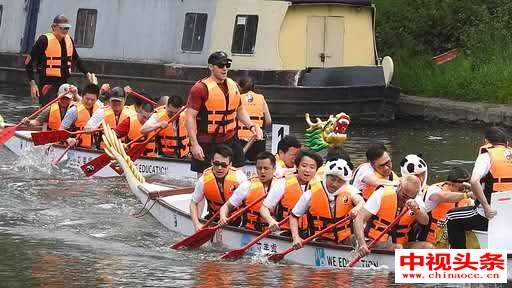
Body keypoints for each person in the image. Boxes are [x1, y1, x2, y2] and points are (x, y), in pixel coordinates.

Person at [185, 51, 263, 175]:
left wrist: (252, 126)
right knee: (205, 180)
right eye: (220, 66)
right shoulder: (200, 88)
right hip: (207, 141)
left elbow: (240, 110)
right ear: (211, 67)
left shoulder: (233, 85)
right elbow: (190, 117)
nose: (225, 69)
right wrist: (194, 144)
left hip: (230, 138)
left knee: (239, 176)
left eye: (227, 65)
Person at [447, 127, 512, 248]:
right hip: (509, 216)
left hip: (489, 216)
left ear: (487, 142)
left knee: (451, 216)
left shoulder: (486, 156)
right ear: (506, 143)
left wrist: (486, 207)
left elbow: (474, 180)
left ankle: (459, 258)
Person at [289, 158, 364, 248]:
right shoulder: (310, 194)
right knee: (329, 243)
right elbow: (294, 216)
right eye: (332, 179)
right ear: (326, 176)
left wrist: (357, 208)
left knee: (359, 240)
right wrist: (296, 237)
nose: (334, 184)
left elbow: (361, 202)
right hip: (320, 239)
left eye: (339, 181)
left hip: (345, 238)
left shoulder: (349, 190)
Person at [354, 175, 433, 258]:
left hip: (401, 244)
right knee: (398, 248)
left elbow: (425, 221)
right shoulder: (382, 194)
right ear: (399, 186)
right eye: (404, 196)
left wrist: (416, 210)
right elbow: (359, 218)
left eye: (410, 198)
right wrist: (362, 244)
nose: (406, 200)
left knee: (428, 247)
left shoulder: (416, 201)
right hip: (373, 242)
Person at [24, 14, 93, 106]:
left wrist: (87, 73)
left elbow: (76, 59)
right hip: (47, 82)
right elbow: (28, 63)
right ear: (54, 27)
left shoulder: (69, 40)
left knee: (65, 105)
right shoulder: (43, 40)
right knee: (49, 107)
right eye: (62, 28)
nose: (65, 31)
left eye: (67, 28)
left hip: (63, 82)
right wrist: (33, 84)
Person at [260, 150, 323, 236]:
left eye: (312, 167)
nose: (307, 170)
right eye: (304, 166)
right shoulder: (283, 183)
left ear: (316, 170)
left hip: (308, 233)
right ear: (296, 167)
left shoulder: (319, 185)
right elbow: (264, 209)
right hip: (284, 232)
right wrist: (270, 220)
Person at [189, 145, 248, 231]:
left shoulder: (239, 178)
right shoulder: (203, 180)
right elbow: (193, 203)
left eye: (224, 165)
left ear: (230, 165)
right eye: (216, 164)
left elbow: (250, 201)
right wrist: (196, 223)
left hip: (238, 219)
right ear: (212, 162)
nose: (219, 168)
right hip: (214, 218)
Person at [218, 152, 277, 231]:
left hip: (274, 231)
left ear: (274, 169)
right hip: (250, 230)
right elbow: (226, 206)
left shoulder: (280, 186)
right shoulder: (247, 186)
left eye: (266, 168)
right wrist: (223, 217)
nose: (262, 171)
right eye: (259, 168)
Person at [423, 167, 473, 246]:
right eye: (461, 188)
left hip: (454, 240)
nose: (464, 190)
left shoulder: (468, 197)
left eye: (466, 187)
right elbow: (443, 197)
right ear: (450, 184)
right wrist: (466, 195)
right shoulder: (434, 190)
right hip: (432, 241)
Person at [236, 76, 271, 161]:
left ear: (239, 87)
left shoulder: (237, 98)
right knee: (259, 165)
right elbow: (269, 121)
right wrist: (261, 129)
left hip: (240, 139)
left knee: (238, 164)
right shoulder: (261, 98)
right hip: (258, 139)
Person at [60, 84, 102, 148]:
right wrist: (68, 139)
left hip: (94, 149)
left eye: (93, 100)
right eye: (87, 99)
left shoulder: (100, 110)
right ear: (82, 96)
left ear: (97, 99)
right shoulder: (74, 111)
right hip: (76, 149)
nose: (89, 102)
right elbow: (60, 131)